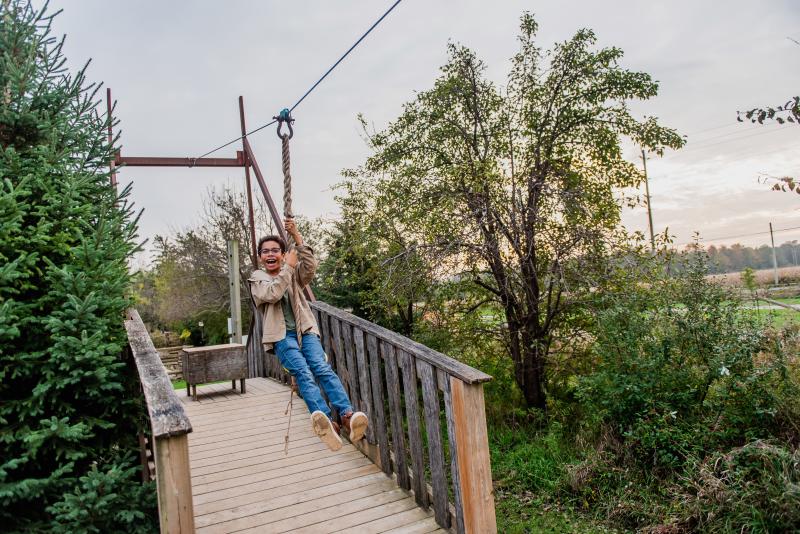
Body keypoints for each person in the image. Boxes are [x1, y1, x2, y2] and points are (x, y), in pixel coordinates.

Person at [248, 219, 368, 451]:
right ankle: (325, 421)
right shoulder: (258, 279)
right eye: (265, 252)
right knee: (303, 372)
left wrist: (298, 237)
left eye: (275, 250)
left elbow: (310, 268)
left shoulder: (292, 274)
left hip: (306, 330)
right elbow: (272, 294)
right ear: (261, 257)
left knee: (321, 368)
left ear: (283, 254)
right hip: (282, 337)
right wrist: (289, 267)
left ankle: (346, 415)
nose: (270, 254)